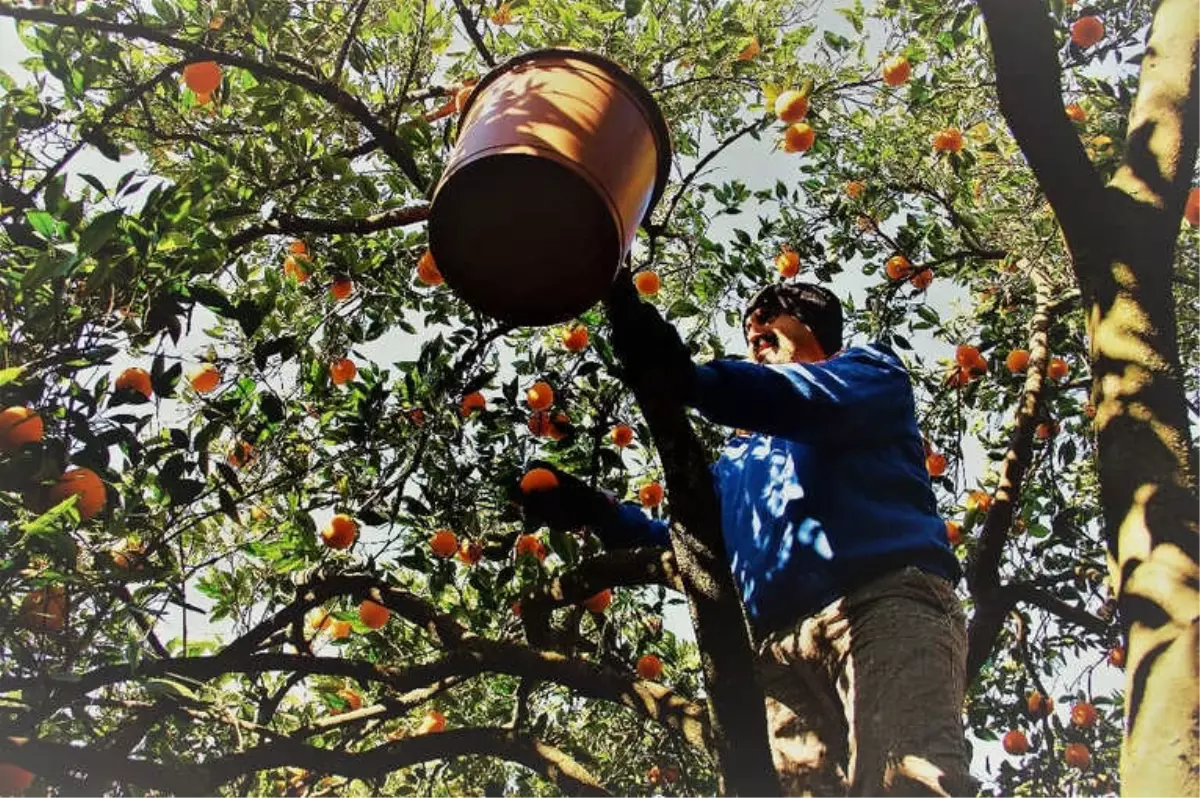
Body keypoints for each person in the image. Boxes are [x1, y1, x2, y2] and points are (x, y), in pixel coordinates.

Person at [517, 280, 970, 797]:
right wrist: (595, 511)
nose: (754, 333)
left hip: (879, 604)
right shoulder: (738, 459)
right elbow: (687, 541)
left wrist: (692, 381)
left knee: (904, 782)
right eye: (748, 330)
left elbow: (805, 399)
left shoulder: (868, 372)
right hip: (777, 650)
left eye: (769, 318)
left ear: (815, 322)